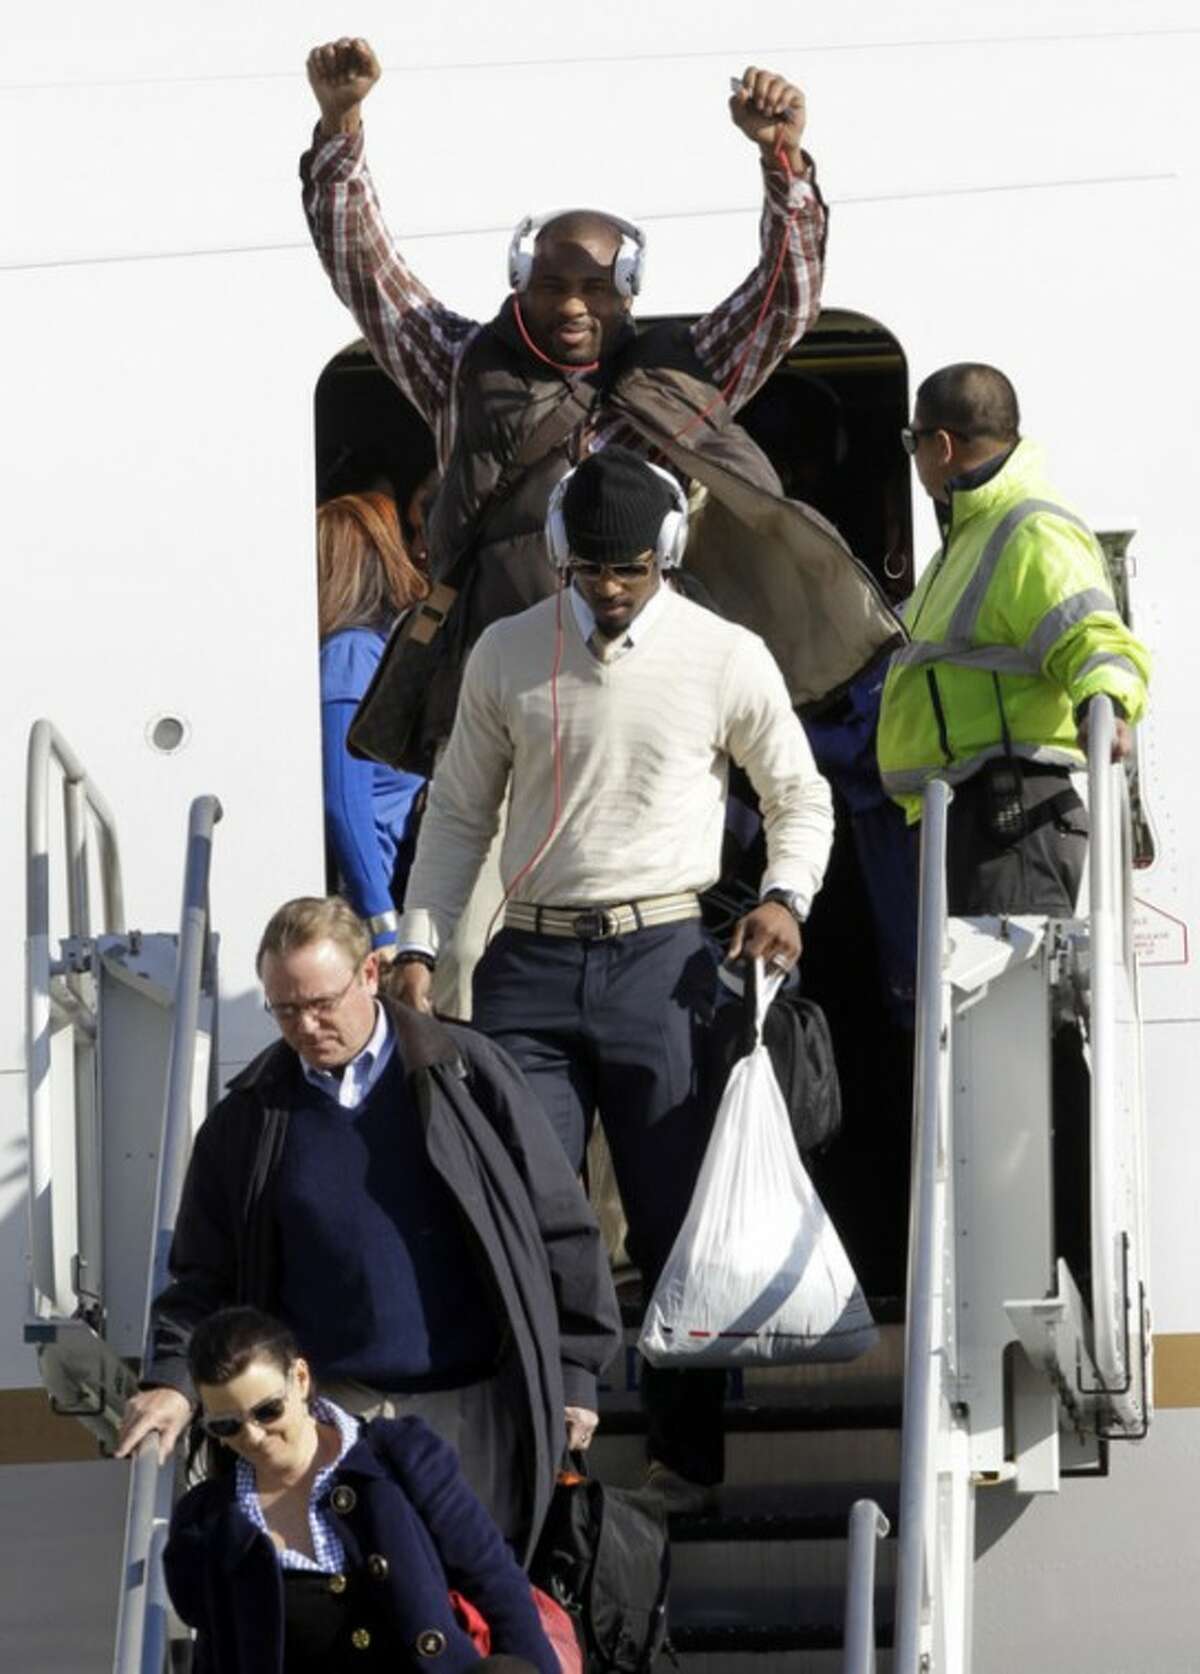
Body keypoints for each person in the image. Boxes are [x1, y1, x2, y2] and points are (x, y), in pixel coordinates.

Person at [393, 447, 835, 1512]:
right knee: (529, 1207)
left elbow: (800, 797)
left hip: (667, 956)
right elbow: (457, 814)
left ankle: (687, 1460)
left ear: (668, 553)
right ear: (558, 554)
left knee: (676, 1214)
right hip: (529, 960)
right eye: (590, 567)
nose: (609, 585)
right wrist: (417, 943)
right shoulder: (504, 653)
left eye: (629, 568)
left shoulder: (728, 654)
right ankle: (554, 1452)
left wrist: (785, 897)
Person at [300, 38, 866, 770]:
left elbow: (787, 299)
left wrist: (782, 160)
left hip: (646, 702)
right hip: (503, 696)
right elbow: (367, 271)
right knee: (475, 876)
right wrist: (340, 127)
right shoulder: (462, 366)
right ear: (518, 283)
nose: (573, 306)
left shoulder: (680, 377)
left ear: (628, 290)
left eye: (596, 289)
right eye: (551, 286)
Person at [116, 896, 621, 1560]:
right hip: (329, 1413)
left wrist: (576, 1373)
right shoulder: (248, 1118)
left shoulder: (466, 1073)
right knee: (357, 1619)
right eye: (285, 1009)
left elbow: (561, 1227)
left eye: (322, 1001)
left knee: (475, 1609)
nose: (306, 1024)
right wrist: (174, 1379)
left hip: (470, 1405)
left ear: (371, 975)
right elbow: (204, 1276)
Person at [878, 362, 1151, 915]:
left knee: (1011, 1001)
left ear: (943, 445)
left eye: (913, 440)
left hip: (1011, 821)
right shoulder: (970, 536)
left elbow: (1093, 634)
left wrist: (1108, 704)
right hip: (974, 818)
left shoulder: (1027, 529)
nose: (914, 457)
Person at [163, 1306, 562, 1674]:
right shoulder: (207, 1523)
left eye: (268, 1411)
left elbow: (494, 1580)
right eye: (226, 1426)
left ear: (300, 1379)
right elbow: (216, 1658)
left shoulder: (401, 1455)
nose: (253, 1436)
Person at [318, 491, 430, 947]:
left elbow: (348, 802)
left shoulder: (363, 651)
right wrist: (382, 924)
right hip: (381, 907)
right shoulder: (355, 654)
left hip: (390, 899)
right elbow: (344, 803)